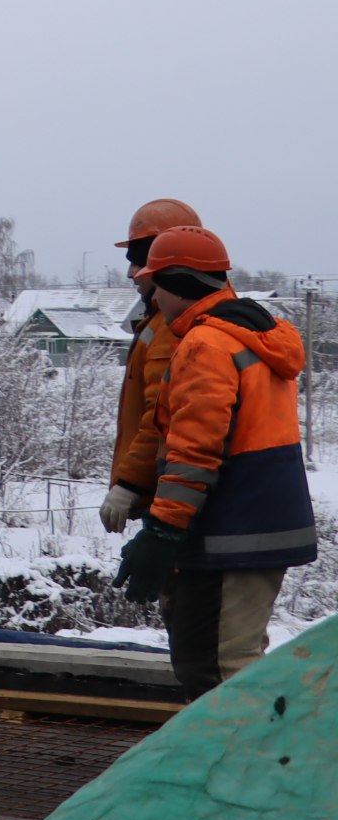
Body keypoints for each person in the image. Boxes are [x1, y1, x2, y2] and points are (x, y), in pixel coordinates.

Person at [114, 225, 318, 694]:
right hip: (258, 524)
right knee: (232, 660)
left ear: (180, 285)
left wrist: (163, 530)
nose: (153, 298)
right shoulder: (253, 332)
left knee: (218, 673)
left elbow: (194, 450)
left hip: (231, 532)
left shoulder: (207, 345)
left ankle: (244, 768)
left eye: (157, 285)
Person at [101, 199, 203, 535]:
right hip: (169, 501)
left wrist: (130, 483)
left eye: (139, 262)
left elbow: (160, 417)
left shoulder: (170, 330)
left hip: (174, 507)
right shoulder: (159, 323)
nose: (131, 273)